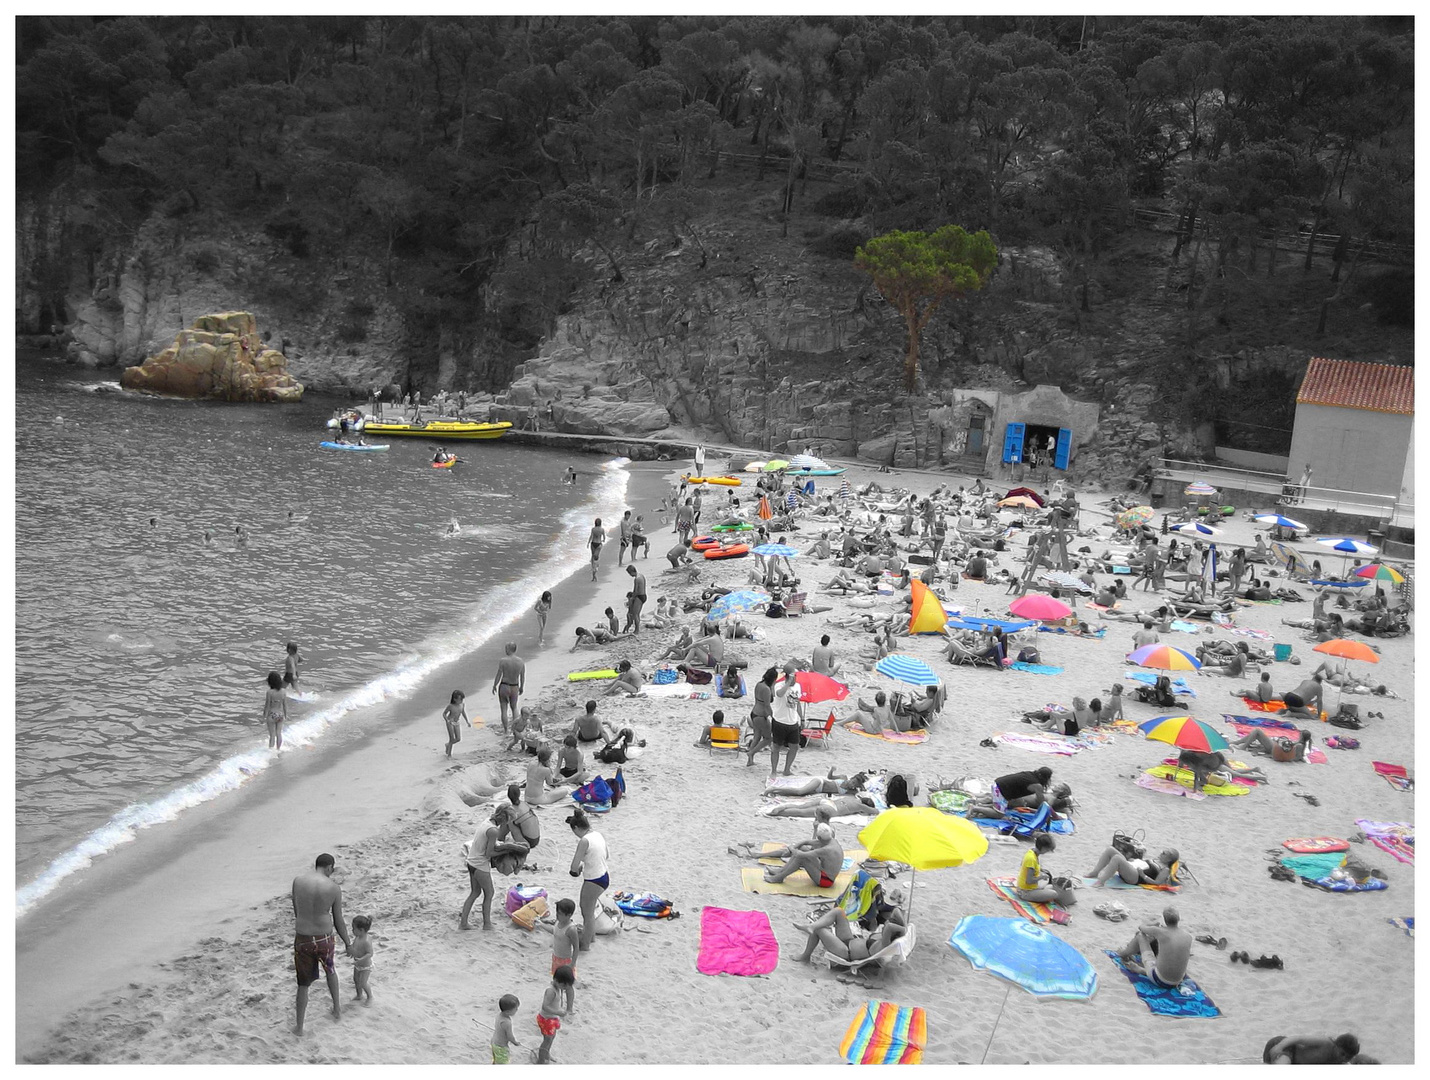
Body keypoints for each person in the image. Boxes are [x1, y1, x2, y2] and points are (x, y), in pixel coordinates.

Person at [291, 853, 351, 1035]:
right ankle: (337, 1010)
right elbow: (338, 920)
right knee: (330, 971)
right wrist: (347, 942)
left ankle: (300, 1027)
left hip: (303, 938)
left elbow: (297, 910)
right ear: (329, 867)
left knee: (303, 984)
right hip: (324, 938)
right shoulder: (333, 888)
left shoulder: (298, 881)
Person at [1115, 906, 1192, 988]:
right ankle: (1143, 970)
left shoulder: (1161, 932)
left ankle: (1123, 954)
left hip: (1159, 980)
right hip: (1177, 981)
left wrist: (1154, 923)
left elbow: (1141, 927)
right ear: (1178, 919)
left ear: (1165, 920)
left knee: (1140, 936)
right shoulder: (1188, 936)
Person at [567, 809, 608, 953]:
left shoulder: (584, 841)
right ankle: (591, 937)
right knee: (589, 909)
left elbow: (574, 866)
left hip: (593, 879)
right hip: (604, 875)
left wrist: (576, 871)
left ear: (577, 828)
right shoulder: (597, 834)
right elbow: (605, 855)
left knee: (587, 912)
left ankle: (585, 945)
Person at [761, 823, 844, 887]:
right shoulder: (830, 840)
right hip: (824, 870)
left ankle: (780, 877)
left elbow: (801, 854)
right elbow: (805, 842)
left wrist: (791, 848)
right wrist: (793, 847)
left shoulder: (827, 849)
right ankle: (780, 871)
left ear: (819, 838)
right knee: (803, 848)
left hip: (826, 881)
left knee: (801, 858)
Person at [1016, 834, 1076, 907]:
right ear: (1044, 848)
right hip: (1025, 892)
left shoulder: (1031, 852)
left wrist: (1040, 871)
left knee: (1052, 886)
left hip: (1029, 887)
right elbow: (1029, 880)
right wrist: (1041, 877)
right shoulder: (1031, 859)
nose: (1047, 852)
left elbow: (1026, 867)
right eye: (1047, 850)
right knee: (1054, 894)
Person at [535, 965, 575, 1064]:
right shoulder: (551, 991)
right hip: (546, 1019)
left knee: (552, 1037)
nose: (565, 989)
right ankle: (540, 1061)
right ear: (557, 981)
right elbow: (545, 1006)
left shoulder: (558, 987)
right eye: (564, 986)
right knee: (547, 1040)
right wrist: (558, 1012)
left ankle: (546, 1054)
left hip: (552, 1018)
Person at [1086, 846, 1181, 887]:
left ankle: (1101, 882)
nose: (1161, 853)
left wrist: (1143, 875)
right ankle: (1095, 872)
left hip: (1136, 877)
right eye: (1162, 851)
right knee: (1110, 850)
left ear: (1169, 859)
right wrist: (1134, 860)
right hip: (1133, 868)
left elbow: (1157, 883)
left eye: (1164, 853)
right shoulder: (1157, 860)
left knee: (1117, 858)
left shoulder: (1165, 869)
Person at [769, 681, 805, 778]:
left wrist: (802, 718)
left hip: (793, 721)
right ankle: (773, 771)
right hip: (779, 721)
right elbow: (779, 694)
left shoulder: (798, 686)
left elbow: (798, 704)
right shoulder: (779, 686)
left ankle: (787, 770)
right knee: (776, 747)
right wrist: (788, 683)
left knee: (795, 747)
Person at [491, 642, 526, 734]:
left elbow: (499, 674)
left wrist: (494, 685)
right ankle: (515, 729)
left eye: (506, 648)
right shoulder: (521, 661)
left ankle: (506, 730)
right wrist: (522, 687)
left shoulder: (503, 660)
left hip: (504, 686)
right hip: (515, 686)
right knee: (514, 707)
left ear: (510, 649)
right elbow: (522, 676)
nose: (505, 650)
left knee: (504, 708)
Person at [746, 666, 777, 767]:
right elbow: (768, 705)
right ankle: (751, 753)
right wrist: (773, 717)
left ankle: (750, 760)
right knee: (768, 738)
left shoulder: (759, 684)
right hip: (760, 716)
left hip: (754, 712)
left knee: (757, 737)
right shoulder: (767, 689)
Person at [1262, 1034, 1361, 1065]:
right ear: (1336, 1045)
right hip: (1286, 1047)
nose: (1343, 1058)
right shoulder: (1326, 1043)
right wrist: (1279, 1047)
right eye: (1342, 1054)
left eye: (1347, 1057)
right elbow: (1298, 1038)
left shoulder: (1341, 1064)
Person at [1232, 727, 1313, 762]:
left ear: (1302, 735)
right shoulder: (1301, 744)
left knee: (1257, 731)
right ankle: (1238, 743)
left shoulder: (1300, 745)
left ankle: (1242, 746)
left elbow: (1296, 757)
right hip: (1276, 749)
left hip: (1275, 749)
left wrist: (1278, 756)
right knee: (1257, 734)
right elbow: (1300, 756)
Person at [551, 898, 580, 981]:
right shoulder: (558, 922)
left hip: (566, 961)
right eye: (557, 912)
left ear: (569, 915)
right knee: (556, 980)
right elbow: (554, 931)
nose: (557, 915)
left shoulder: (571, 929)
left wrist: (572, 964)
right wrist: (541, 925)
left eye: (560, 913)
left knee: (567, 983)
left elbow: (576, 947)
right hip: (556, 957)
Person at [349, 915, 373, 1006]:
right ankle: (359, 995)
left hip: (365, 966)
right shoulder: (358, 937)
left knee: (363, 983)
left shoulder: (366, 941)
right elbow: (355, 947)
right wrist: (350, 951)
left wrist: (360, 960)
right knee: (356, 980)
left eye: (354, 928)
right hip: (357, 964)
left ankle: (370, 996)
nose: (352, 930)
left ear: (361, 930)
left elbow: (370, 954)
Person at [491, 993, 521, 1065]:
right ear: (508, 1011)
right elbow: (510, 1037)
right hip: (501, 1047)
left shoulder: (499, 1015)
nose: (517, 1009)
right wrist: (515, 1042)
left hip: (494, 1042)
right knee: (503, 1062)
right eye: (515, 1009)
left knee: (496, 1060)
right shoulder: (507, 1022)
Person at [263, 672, 288, 751]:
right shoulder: (283, 691)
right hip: (280, 715)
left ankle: (271, 751)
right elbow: (285, 705)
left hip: (272, 715)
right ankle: (278, 749)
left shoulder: (269, 692)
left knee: (272, 735)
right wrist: (286, 715)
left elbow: (267, 706)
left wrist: (264, 716)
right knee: (279, 733)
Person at [443, 690, 468, 758]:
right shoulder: (450, 706)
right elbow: (444, 714)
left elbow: (463, 712)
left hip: (456, 722)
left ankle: (448, 745)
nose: (462, 701)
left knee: (458, 739)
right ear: (455, 699)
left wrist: (467, 721)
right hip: (450, 722)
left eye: (462, 699)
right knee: (452, 739)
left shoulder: (462, 705)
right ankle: (449, 755)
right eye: (460, 699)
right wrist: (447, 720)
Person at [623, 564, 647, 633]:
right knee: (637, 614)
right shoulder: (641, 575)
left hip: (639, 596)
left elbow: (635, 591)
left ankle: (637, 630)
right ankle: (637, 628)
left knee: (635, 614)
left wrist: (631, 599)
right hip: (644, 595)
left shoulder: (636, 579)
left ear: (631, 572)